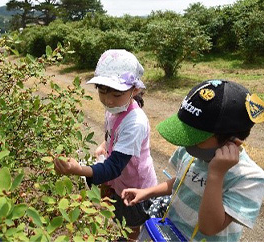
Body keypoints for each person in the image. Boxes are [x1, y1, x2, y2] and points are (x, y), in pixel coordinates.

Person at [121, 79, 264, 241]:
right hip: (172, 231)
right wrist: (146, 192)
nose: (187, 142)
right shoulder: (191, 152)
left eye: (195, 137)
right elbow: (183, 180)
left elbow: (209, 227)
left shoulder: (249, 178)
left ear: (233, 142)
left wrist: (216, 174)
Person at [54, 49, 157, 240]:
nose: (108, 100)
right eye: (102, 91)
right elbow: (115, 134)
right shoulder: (115, 109)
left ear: (134, 90)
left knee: (131, 226)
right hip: (120, 181)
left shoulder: (135, 123)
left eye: (117, 94)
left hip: (136, 187)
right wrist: (104, 144)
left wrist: (78, 169)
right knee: (119, 217)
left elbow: (114, 167)